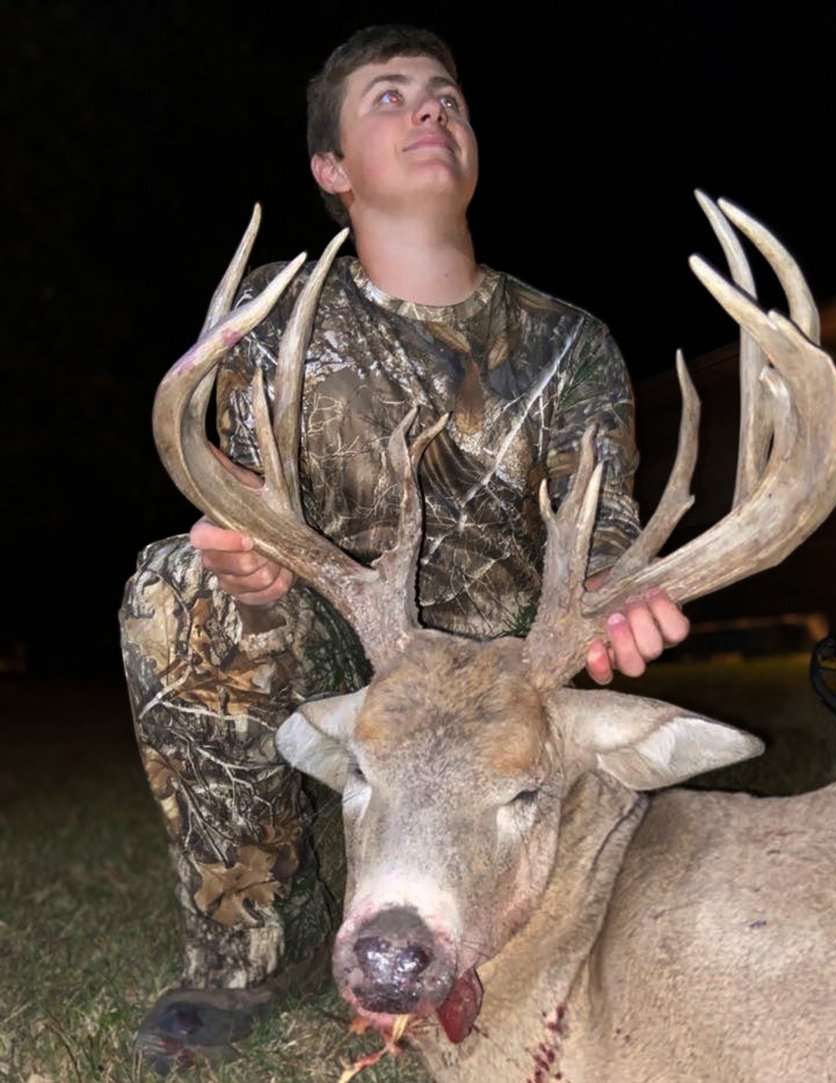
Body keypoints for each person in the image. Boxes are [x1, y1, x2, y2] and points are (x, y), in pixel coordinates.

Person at [119, 23, 689, 1074]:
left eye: (448, 97)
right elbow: (245, 508)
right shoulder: (272, 328)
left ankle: (503, 901)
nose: (432, 110)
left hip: (508, 694)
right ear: (331, 168)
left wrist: (620, 600)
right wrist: (241, 564)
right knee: (178, 586)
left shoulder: (571, 345)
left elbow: (601, 535)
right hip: (362, 666)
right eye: (389, 98)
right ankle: (246, 954)